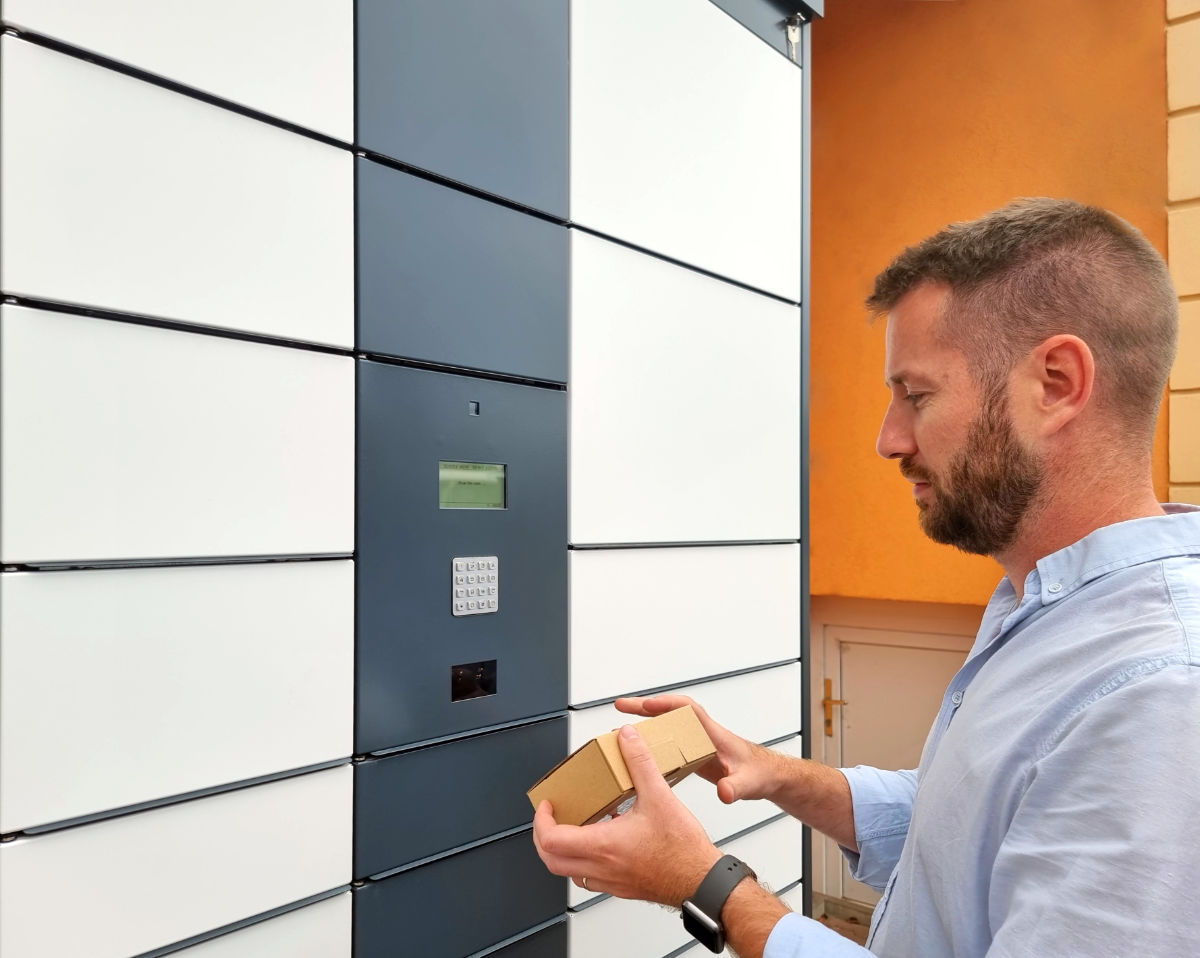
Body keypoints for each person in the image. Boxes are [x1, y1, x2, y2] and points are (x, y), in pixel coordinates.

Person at [532, 198, 1200, 957]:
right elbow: (962, 820)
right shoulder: (1046, 603)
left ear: (1055, 382)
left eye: (916, 396)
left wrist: (705, 884)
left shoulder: (1160, 697)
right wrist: (774, 773)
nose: (888, 439)